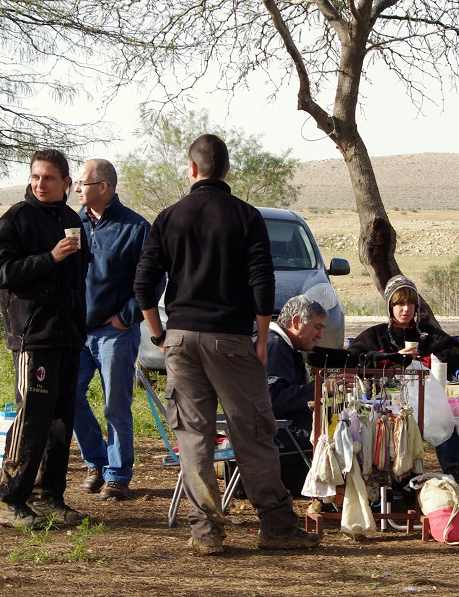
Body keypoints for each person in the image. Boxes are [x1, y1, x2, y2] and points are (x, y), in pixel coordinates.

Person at [134, 134, 320, 555]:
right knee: (253, 431)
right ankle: (275, 525)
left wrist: (160, 335)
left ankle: (206, 533)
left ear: (192, 168)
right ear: (227, 170)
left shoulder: (168, 217)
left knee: (194, 436)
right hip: (231, 339)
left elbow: (144, 285)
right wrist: (260, 336)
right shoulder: (246, 216)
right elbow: (262, 280)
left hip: (181, 339)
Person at [0, 149, 90, 529]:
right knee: (31, 417)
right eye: (35, 177)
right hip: (34, 336)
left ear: (66, 183)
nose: (40, 184)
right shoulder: (17, 218)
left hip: (68, 336)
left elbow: (79, 279)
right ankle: (8, 499)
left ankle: (47, 496)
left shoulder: (70, 219)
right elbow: (2, 272)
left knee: (61, 420)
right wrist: (49, 257)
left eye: (48, 178)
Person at [73, 158, 155, 501]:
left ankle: (118, 474)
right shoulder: (71, 223)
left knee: (115, 404)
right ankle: (95, 460)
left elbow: (152, 278)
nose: (76, 189)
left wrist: (127, 316)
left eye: (83, 183)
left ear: (103, 187)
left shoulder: (135, 227)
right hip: (75, 331)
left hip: (114, 332)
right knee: (69, 394)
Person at [347, 275, 459, 493]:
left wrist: (425, 360)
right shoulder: (376, 334)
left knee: (442, 417)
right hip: (385, 404)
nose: (405, 309)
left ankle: (456, 475)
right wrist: (394, 357)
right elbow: (354, 356)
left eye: (410, 303)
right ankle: (394, 479)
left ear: (417, 306)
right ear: (390, 306)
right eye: (399, 303)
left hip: (425, 402)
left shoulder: (427, 333)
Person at [264, 295, 353, 495]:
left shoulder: (282, 345)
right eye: (317, 327)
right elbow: (273, 399)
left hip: (281, 434)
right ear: (296, 322)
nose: (320, 335)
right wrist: (322, 388)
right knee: (345, 438)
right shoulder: (275, 346)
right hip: (279, 441)